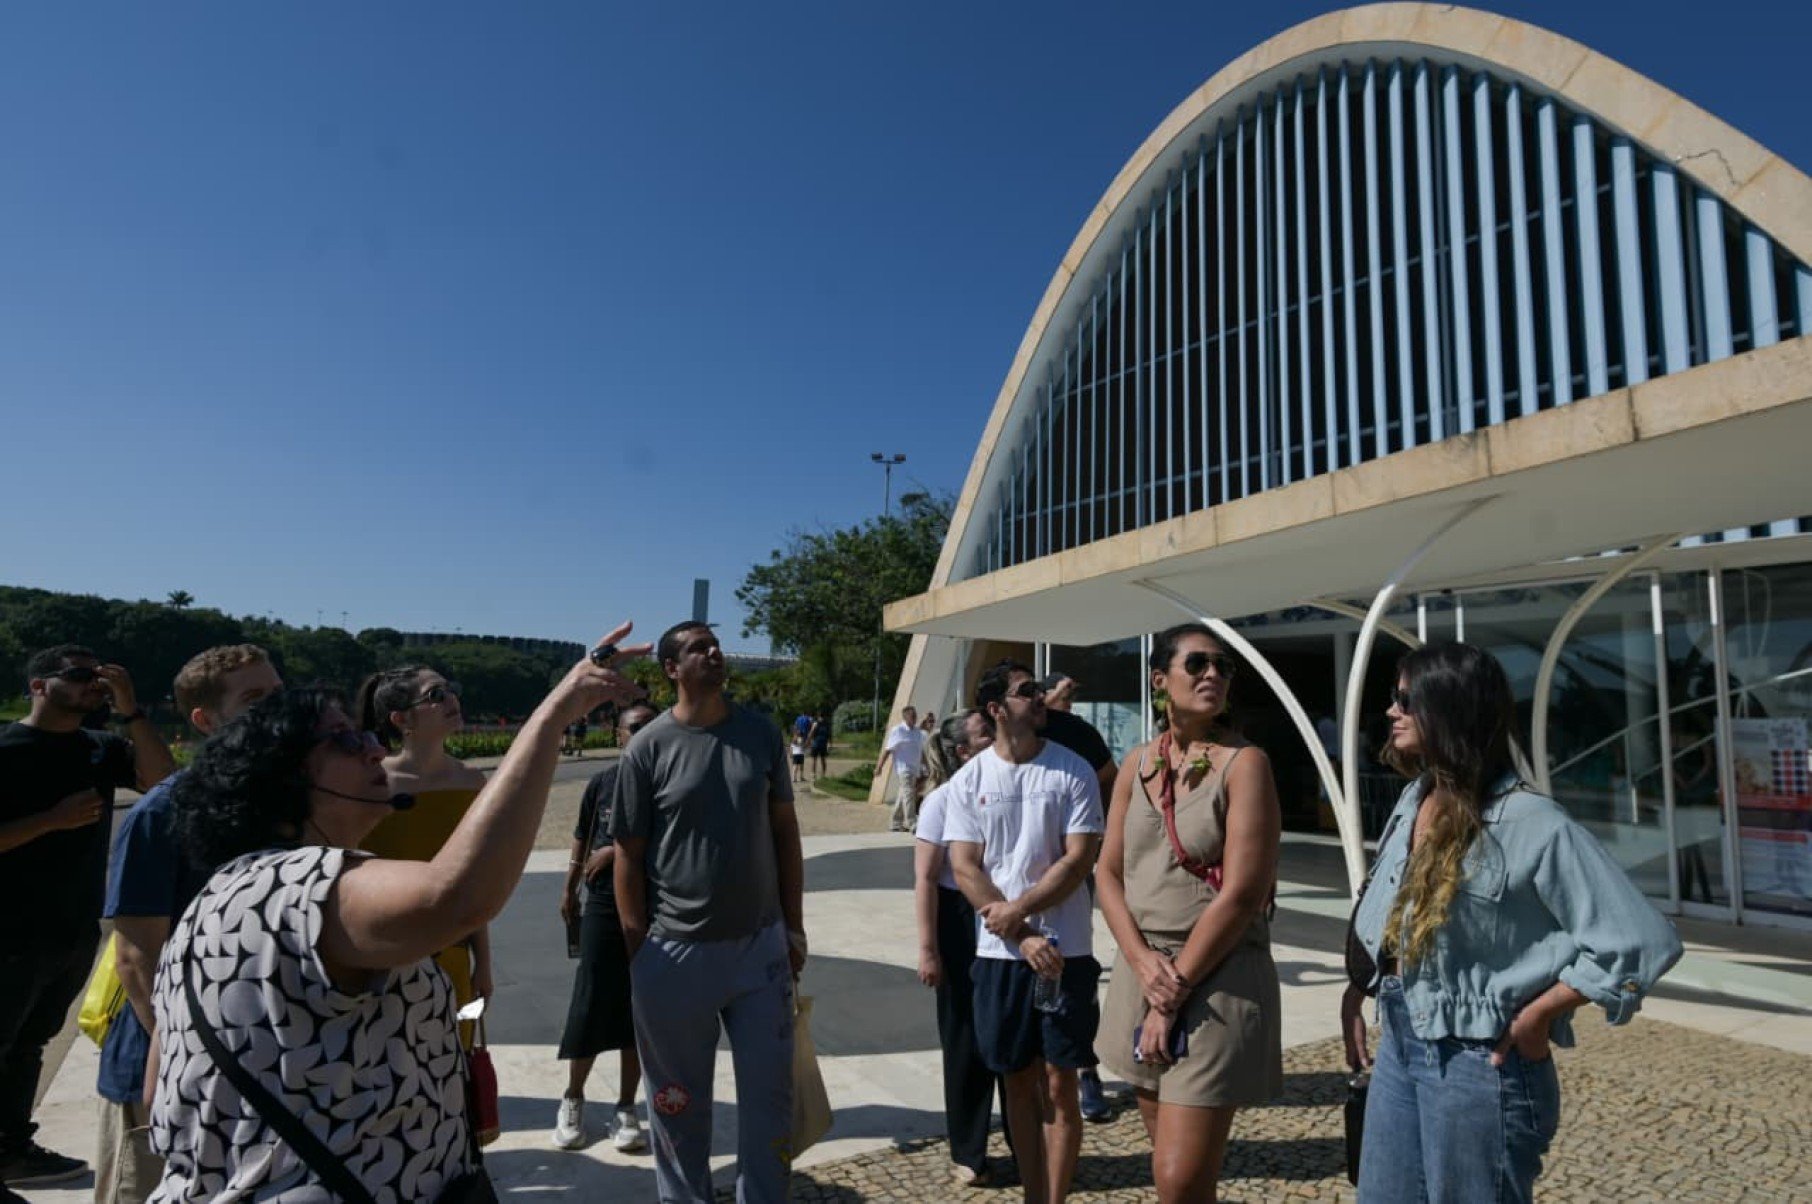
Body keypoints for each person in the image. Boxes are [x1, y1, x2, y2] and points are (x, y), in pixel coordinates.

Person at [149, 626, 647, 1200]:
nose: (372, 748)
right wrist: (554, 713)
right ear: (283, 777)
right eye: (341, 740)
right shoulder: (302, 882)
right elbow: (457, 896)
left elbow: (162, 1090)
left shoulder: (220, 899)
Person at [1343, 641, 1683, 1202]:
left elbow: (1640, 940)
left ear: (1449, 707)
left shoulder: (1532, 822)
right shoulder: (1414, 797)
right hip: (1401, 1046)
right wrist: (1362, 985)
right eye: (1392, 698)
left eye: (1406, 699)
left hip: (1479, 1065)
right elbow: (1389, 906)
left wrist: (1539, 1014)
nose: (1391, 711)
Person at [609, 621, 807, 1204]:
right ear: (672, 668)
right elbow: (627, 856)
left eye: (714, 645)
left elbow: (784, 832)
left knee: (771, 1102)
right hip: (674, 952)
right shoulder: (648, 747)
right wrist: (639, 952)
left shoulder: (760, 734)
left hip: (759, 948)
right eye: (699, 648)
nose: (715, 653)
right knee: (676, 1103)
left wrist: (792, 925)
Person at [1095, 625, 1282, 1203]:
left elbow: (1243, 895)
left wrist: (1168, 992)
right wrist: (1141, 963)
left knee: (1177, 1179)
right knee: (1174, 1172)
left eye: (1223, 667)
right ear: (1160, 680)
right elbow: (1106, 873)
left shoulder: (1244, 764)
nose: (1213, 675)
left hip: (1214, 980)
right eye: (1197, 663)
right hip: (1142, 970)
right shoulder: (1137, 764)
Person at [97, 645, 281, 1204]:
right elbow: (134, 957)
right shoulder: (164, 811)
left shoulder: (284, 805)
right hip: (165, 1066)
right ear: (205, 720)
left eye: (278, 693)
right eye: (254, 699)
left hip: (258, 1063)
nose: (276, 708)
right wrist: (187, 1056)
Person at [0, 645, 174, 1189]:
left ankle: (10, 1149)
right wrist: (50, 821)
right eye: (78, 677)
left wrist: (132, 711)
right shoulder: (6, 748)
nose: (91, 687)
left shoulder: (100, 748)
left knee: (30, 1043)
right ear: (38, 686)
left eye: (98, 678)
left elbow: (165, 784)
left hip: (73, 927)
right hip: (7, 928)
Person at [944, 661, 1103, 1204]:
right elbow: (965, 867)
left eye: (1038, 688)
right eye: (1025, 691)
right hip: (1000, 957)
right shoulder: (970, 779)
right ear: (995, 709)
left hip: (1068, 952)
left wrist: (1019, 913)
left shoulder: (1073, 770)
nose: (1039, 696)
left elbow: (1079, 858)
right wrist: (1019, 933)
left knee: (1061, 1081)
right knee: (1015, 1078)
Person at [356, 667, 494, 1049]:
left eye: (451, 690)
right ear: (400, 719)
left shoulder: (472, 782)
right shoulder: (370, 784)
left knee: (456, 1061)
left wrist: (483, 963)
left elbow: (474, 883)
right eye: (436, 696)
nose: (451, 700)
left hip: (453, 956)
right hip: (383, 960)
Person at [914, 709, 1013, 1188]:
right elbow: (926, 879)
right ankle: (969, 1151)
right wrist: (928, 948)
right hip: (958, 919)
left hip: (1007, 910)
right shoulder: (943, 800)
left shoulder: (1010, 786)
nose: (994, 736)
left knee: (1014, 1032)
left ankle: (1027, 1143)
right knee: (964, 1038)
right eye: (983, 733)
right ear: (963, 751)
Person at [554, 701, 658, 1153]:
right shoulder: (602, 783)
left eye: (650, 727)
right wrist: (569, 888)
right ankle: (572, 1096)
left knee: (640, 1004)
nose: (641, 734)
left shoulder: (670, 782)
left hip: (655, 901)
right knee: (591, 995)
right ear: (617, 735)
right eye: (633, 727)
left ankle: (625, 1105)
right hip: (601, 901)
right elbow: (581, 836)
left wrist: (617, 851)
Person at [1033, 674, 1118, 1124]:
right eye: (1061, 694)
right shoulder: (1009, 732)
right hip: (1014, 883)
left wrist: (1094, 834)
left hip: (1071, 872)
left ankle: (1085, 1070)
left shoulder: (1079, 734)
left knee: (1074, 967)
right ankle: (1032, 1076)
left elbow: (1111, 779)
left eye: (1073, 694)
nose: (1069, 701)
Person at [877, 705, 925, 832]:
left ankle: (895, 822)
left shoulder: (917, 732)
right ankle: (911, 822)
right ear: (905, 717)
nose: (914, 718)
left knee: (903, 794)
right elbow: (888, 750)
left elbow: (920, 750)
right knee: (909, 794)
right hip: (904, 768)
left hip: (914, 768)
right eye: (912, 716)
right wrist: (879, 767)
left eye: (915, 715)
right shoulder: (897, 731)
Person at [807, 713, 831, 782]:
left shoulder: (826, 725)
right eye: (820, 717)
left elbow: (829, 735)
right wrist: (808, 741)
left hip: (823, 744)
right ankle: (813, 775)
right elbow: (811, 733)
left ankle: (823, 775)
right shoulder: (815, 724)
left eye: (822, 717)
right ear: (818, 717)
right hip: (815, 744)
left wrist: (829, 744)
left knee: (823, 760)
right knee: (814, 760)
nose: (821, 718)